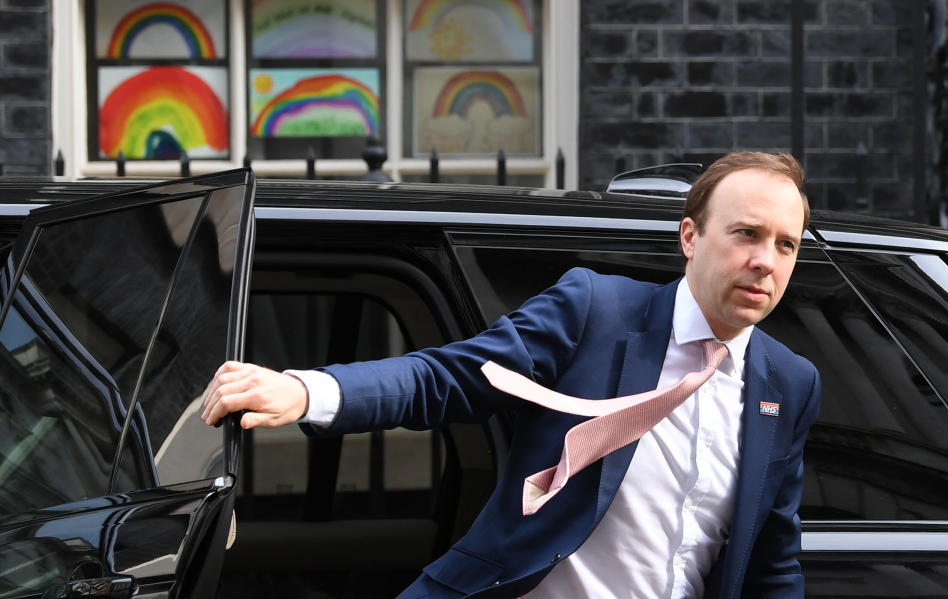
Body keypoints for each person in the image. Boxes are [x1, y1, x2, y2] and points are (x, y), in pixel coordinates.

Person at [202, 151, 821, 599]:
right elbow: (447, 378)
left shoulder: (788, 383)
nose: (764, 261)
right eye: (746, 234)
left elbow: (771, 562)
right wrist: (308, 390)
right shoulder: (596, 309)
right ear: (690, 236)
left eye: (786, 244)